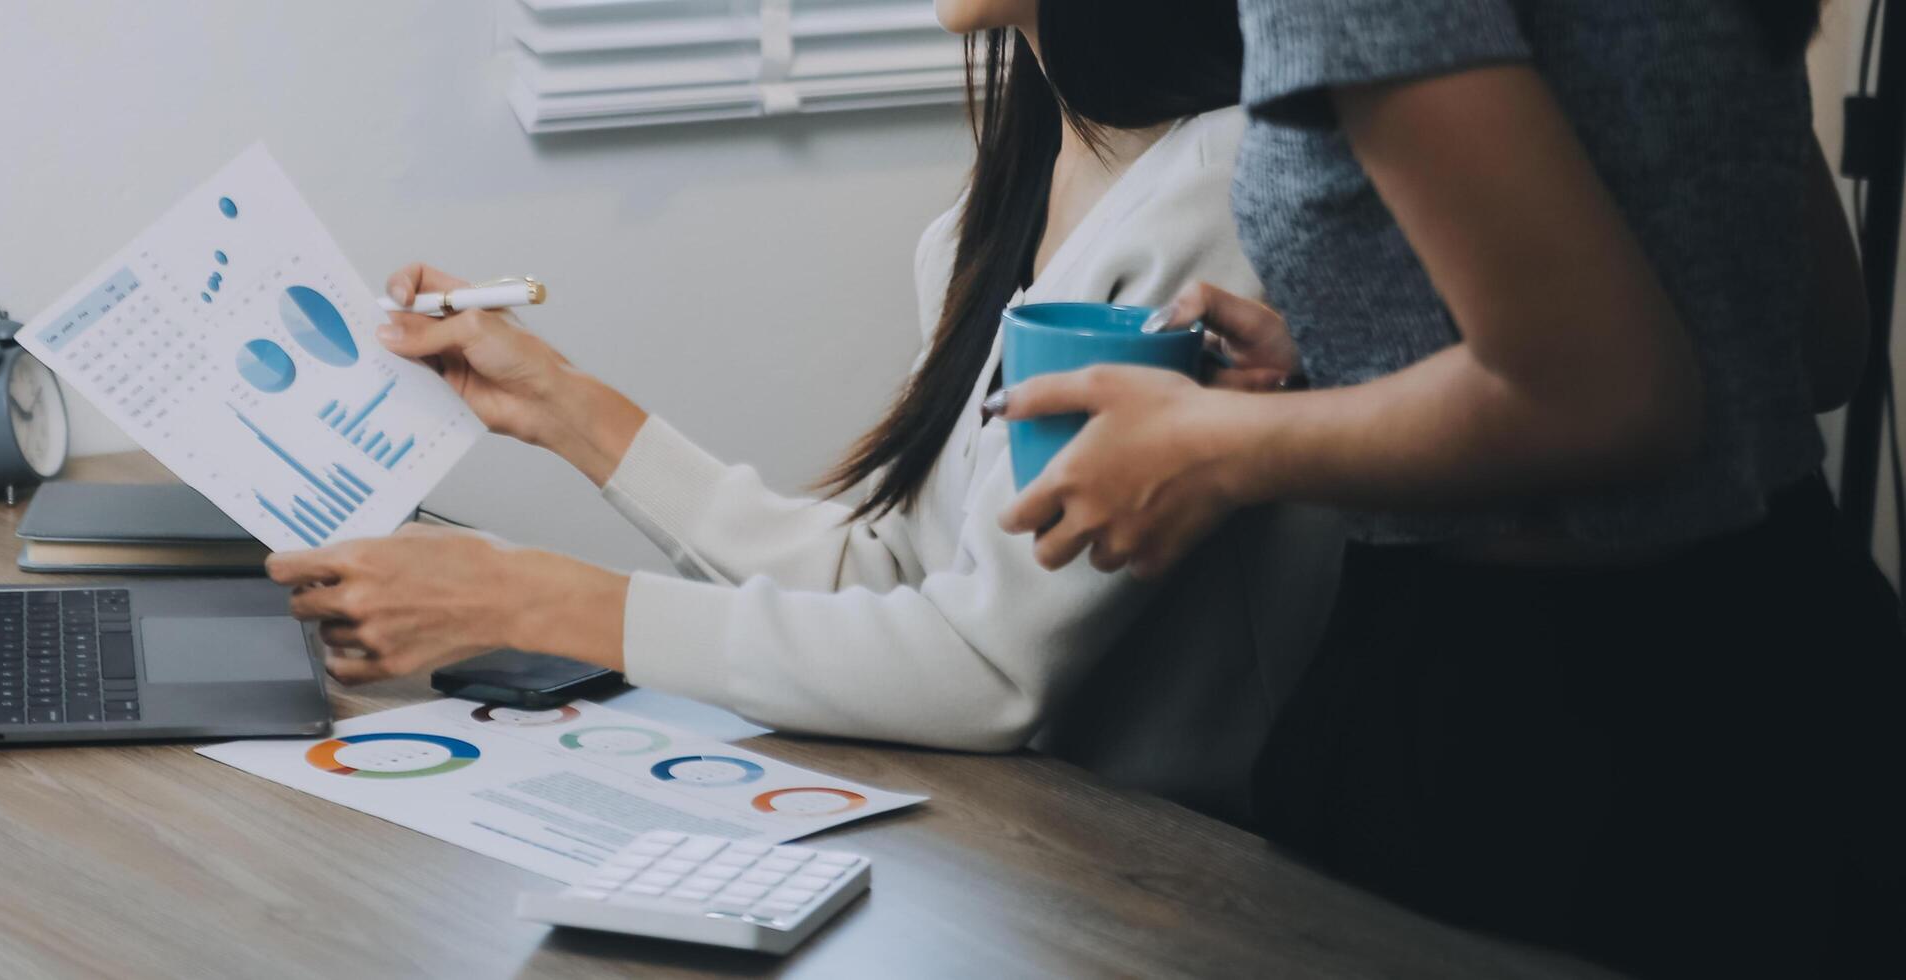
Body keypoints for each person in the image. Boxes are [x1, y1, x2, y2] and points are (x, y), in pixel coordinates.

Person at [987, 0, 1905, 973]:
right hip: (1806, 671)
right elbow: (1808, 345)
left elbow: (1613, 393)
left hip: (1539, 754)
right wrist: (1367, 349)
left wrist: (1220, 443)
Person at [264, 0, 1341, 825]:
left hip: (1159, 873)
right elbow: (900, 578)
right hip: (1013, 837)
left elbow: (985, 669)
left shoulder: (1218, 189)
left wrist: (533, 600)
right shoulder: (1004, 203)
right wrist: (564, 406)